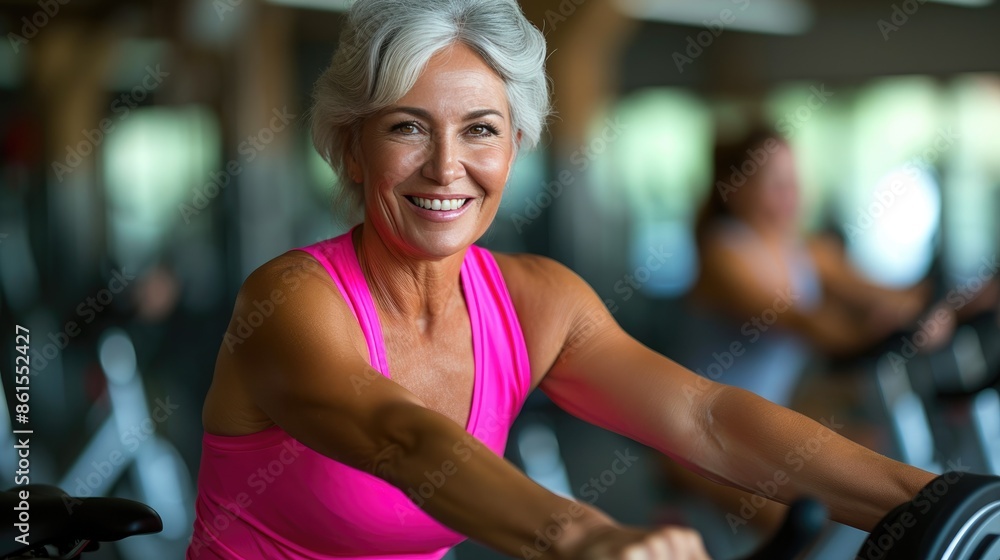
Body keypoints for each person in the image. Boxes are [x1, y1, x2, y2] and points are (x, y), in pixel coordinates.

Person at [186, 2, 936, 559]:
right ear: (352, 149)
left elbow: (705, 418)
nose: (447, 168)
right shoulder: (288, 302)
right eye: (407, 127)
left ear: (515, 148)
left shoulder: (535, 301)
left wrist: (928, 502)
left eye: (480, 129)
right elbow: (402, 440)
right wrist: (584, 536)